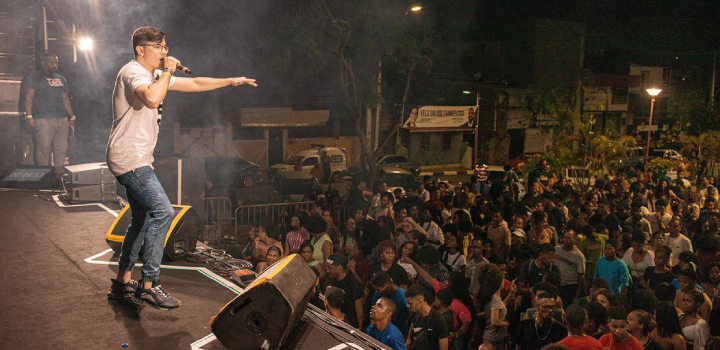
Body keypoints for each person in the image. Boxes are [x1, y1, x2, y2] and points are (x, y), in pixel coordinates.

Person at [106, 26, 256, 309]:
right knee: (163, 211)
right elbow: (152, 98)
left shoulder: (153, 75)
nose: (165, 51)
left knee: (140, 219)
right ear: (141, 49)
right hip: (130, 158)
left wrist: (231, 81)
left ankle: (122, 283)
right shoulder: (133, 72)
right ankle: (149, 284)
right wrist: (169, 72)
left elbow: (197, 84)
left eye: (165, 46)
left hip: (134, 157)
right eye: (159, 46)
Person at [23, 52, 77, 180]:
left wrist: (72, 116)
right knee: (43, 148)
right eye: (51, 62)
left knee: (61, 147)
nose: (54, 65)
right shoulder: (34, 77)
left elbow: (65, 99)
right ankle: (44, 176)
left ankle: (58, 175)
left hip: (62, 119)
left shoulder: (61, 78)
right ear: (44, 62)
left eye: (56, 62)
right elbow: (28, 98)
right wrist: (29, 117)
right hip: (43, 119)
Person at [324, 253, 364, 328]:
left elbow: (359, 309)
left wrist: (360, 328)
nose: (327, 271)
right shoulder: (329, 280)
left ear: (339, 267)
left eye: (330, 268)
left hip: (349, 325)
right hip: (333, 321)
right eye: (327, 268)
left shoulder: (353, 284)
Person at [405, 284, 449, 350]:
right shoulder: (413, 315)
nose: (407, 305)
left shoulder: (438, 319)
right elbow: (409, 340)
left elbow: (444, 348)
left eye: (410, 303)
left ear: (420, 300)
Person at [369, 271, 410, 337]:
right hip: (381, 333)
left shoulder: (404, 298)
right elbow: (373, 314)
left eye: (378, 290)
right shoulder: (377, 294)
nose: (377, 292)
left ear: (387, 286)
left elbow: (412, 320)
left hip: (399, 333)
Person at [554, 229, 586, 308]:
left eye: (569, 238)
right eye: (565, 237)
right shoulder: (556, 250)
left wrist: (577, 295)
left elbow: (581, 276)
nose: (566, 240)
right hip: (556, 285)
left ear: (574, 239)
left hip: (570, 287)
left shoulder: (579, 256)